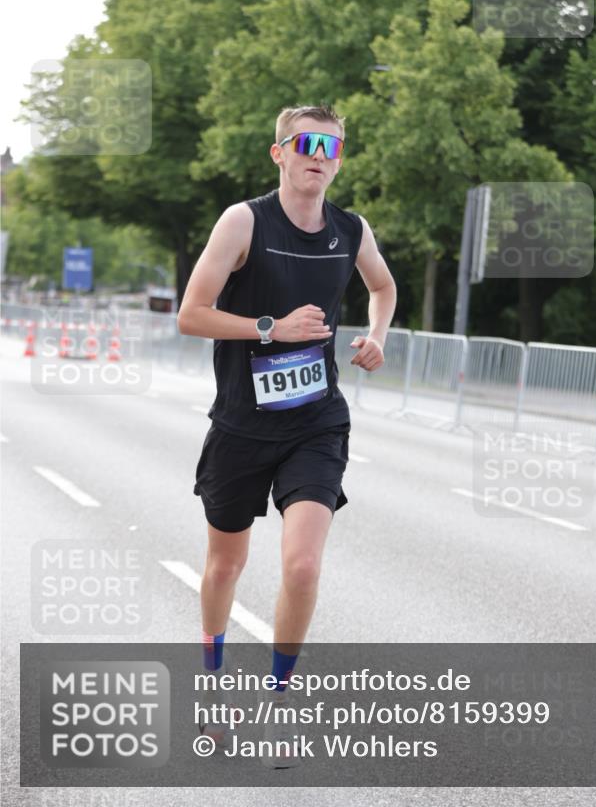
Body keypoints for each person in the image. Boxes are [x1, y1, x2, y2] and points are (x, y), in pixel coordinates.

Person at [177, 104, 397, 766]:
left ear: (338, 158)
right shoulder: (244, 221)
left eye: (330, 146)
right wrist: (270, 329)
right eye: (305, 143)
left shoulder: (350, 229)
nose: (318, 154)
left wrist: (376, 336)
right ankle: (213, 689)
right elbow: (192, 315)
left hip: (315, 420)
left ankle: (278, 703)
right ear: (278, 153)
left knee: (301, 566)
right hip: (242, 424)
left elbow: (382, 287)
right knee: (225, 565)